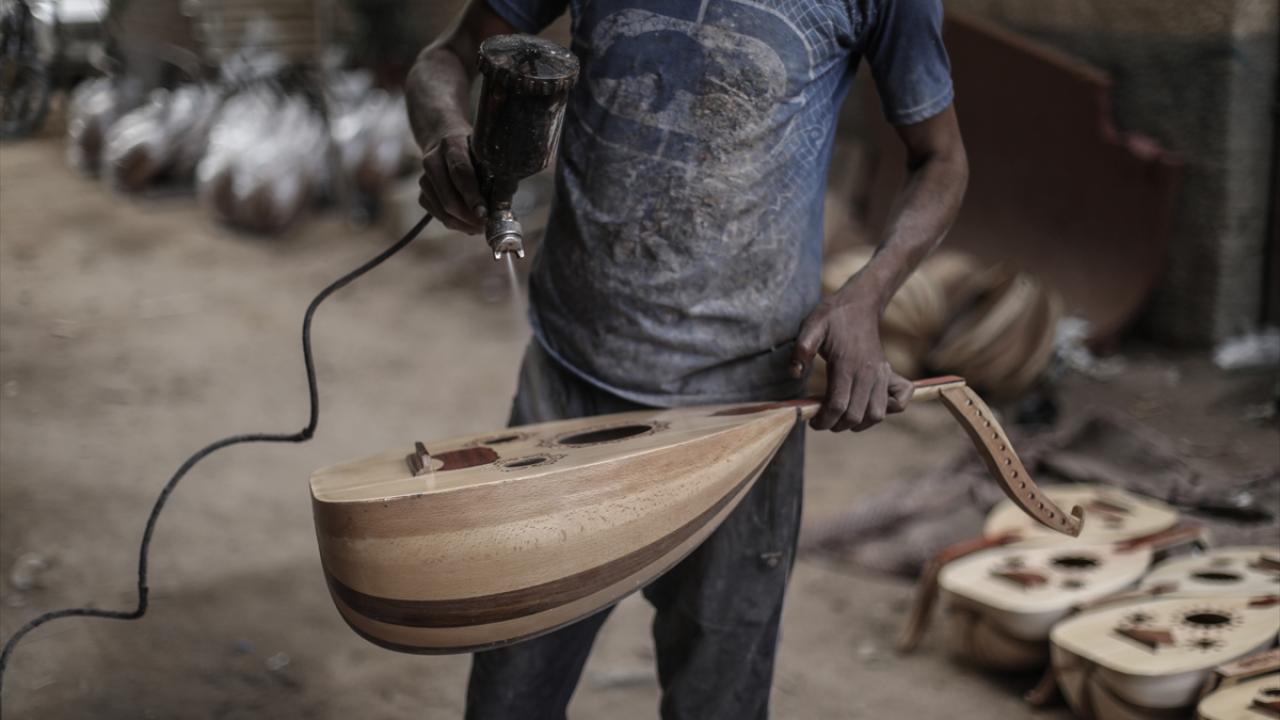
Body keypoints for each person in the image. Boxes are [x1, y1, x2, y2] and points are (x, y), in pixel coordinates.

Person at [407, 0, 967, 717]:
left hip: (744, 420)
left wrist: (867, 296)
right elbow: (445, 59)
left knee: (717, 701)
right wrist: (446, 135)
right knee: (508, 700)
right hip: (566, 397)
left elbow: (942, 160)